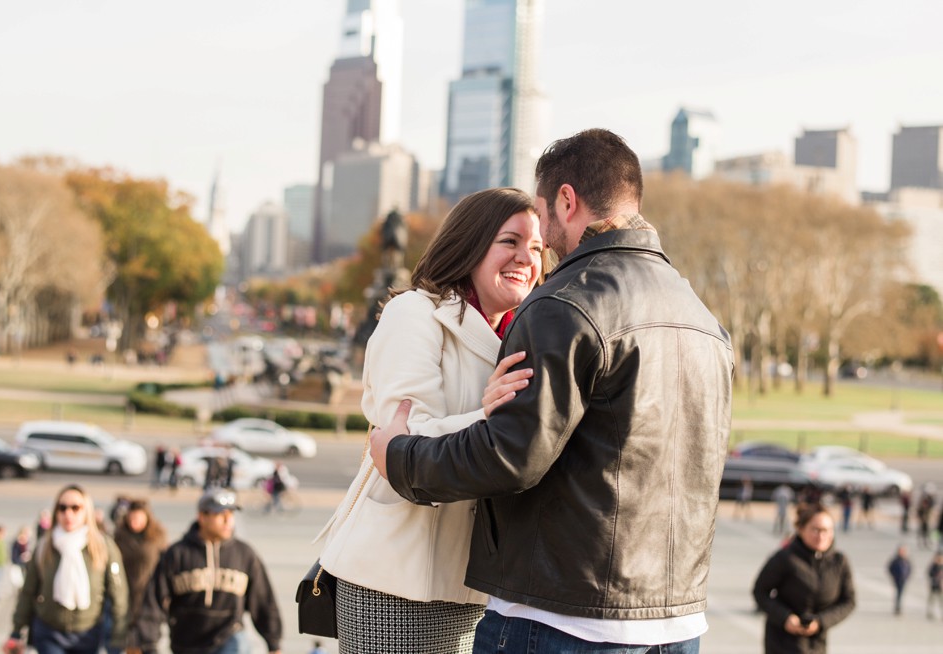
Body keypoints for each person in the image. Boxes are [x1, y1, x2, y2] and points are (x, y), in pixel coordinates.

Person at [369, 129, 735, 653]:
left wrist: (400, 456)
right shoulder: (701, 317)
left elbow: (510, 456)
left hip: (564, 620)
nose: (541, 247)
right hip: (677, 623)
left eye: (541, 220)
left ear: (566, 200)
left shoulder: (566, 304)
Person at [317, 186, 543, 653]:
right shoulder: (416, 314)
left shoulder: (526, 337)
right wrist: (491, 415)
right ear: (471, 242)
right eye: (511, 241)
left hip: (473, 588)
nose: (526, 257)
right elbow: (406, 443)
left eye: (538, 248)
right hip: (393, 581)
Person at [129, 488, 282, 654]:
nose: (227, 520)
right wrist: (146, 644)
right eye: (220, 514)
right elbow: (153, 602)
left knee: (238, 643)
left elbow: (264, 601)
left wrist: (274, 643)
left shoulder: (244, 554)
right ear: (202, 517)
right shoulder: (178, 554)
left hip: (229, 638)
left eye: (231, 514)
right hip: (187, 643)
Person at [6, 484, 129, 654]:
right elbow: (28, 590)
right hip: (49, 630)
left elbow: (118, 594)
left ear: (86, 511)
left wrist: (118, 636)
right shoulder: (45, 546)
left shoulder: (103, 546)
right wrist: (17, 629)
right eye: (62, 508)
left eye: (75, 508)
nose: (68, 514)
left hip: (88, 631)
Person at [753, 503, 856, 654]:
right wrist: (785, 617)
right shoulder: (785, 558)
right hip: (781, 642)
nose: (821, 536)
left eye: (827, 530)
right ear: (801, 530)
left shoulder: (839, 562)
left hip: (817, 642)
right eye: (815, 529)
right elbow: (760, 591)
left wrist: (821, 621)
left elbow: (849, 601)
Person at [112, 500, 167, 651]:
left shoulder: (157, 538)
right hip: (127, 595)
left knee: (150, 643)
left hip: (150, 596)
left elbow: (166, 565)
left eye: (138, 518)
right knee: (131, 643)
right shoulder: (120, 536)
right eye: (132, 518)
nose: (134, 522)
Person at [887, 544, 912, 615]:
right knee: (898, 593)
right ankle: (897, 606)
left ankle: (898, 606)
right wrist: (893, 576)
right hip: (897, 579)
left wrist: (907, 576)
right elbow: (890, 568)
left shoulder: (906, 560)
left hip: (903, 579)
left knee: (900, 593)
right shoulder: (895, 560)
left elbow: (910, 569)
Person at [927, 552, 943, 619]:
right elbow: (930, 574)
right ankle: (930, 613)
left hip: (941, 587)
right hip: (934, 586)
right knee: (931, 600)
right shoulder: (933, 566)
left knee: (941, 601)